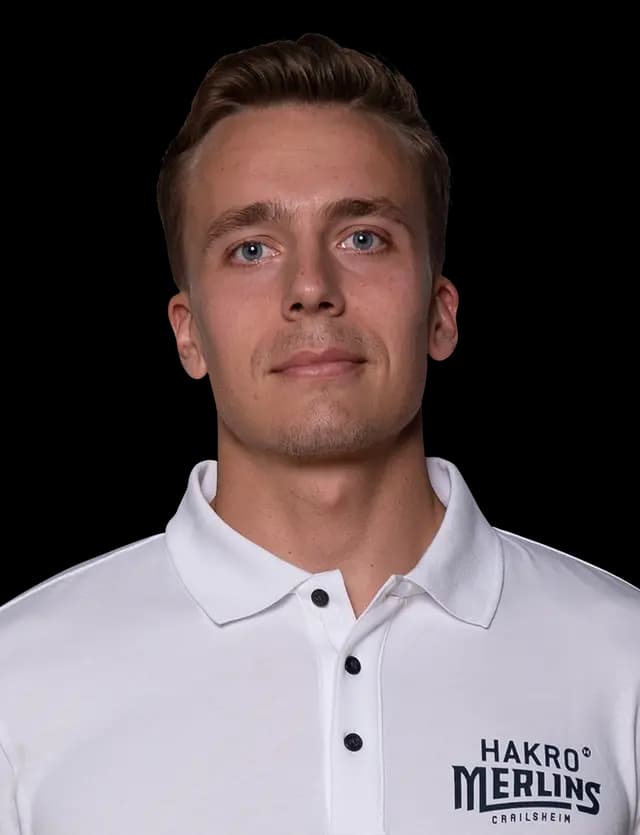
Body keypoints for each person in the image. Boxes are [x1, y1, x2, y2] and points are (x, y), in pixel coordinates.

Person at [1, 32, 638, 835]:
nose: (310, 288)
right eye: (251, 249)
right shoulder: (19, 676)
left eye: (362, 237)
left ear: (440, 312)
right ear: (188, 333)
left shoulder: (622, 652)